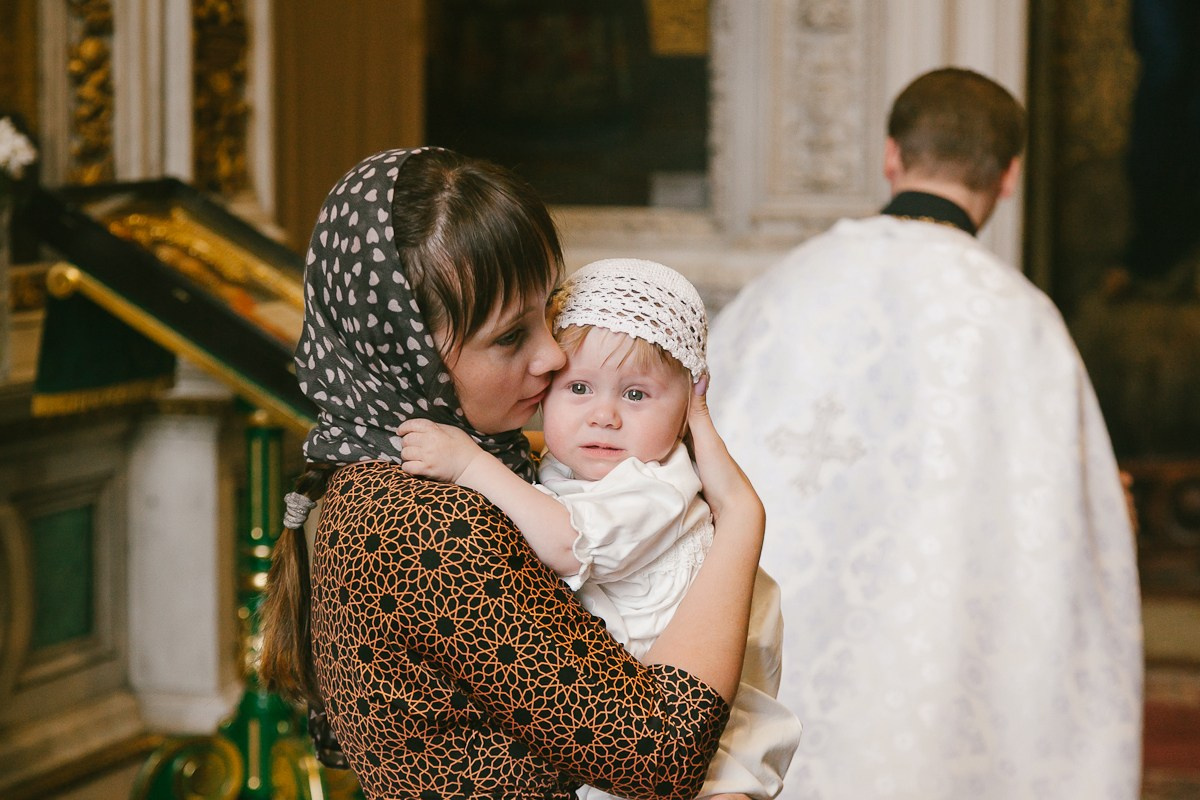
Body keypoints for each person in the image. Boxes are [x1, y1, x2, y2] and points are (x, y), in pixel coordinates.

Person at [257, 147, 767, 800]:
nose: (552, 356)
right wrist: (741, 518)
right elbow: (660, 752)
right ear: (405, 354)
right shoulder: (426, 525)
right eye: (508, 338)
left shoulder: (393, 471)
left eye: (546, 313)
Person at [705, 68, 1144, 799]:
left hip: (771, 657)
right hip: (934, 673)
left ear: (890, 156)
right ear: (1009, 177)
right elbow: (1064, 538)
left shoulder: (783, 291)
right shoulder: (1021, 320)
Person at [398, 257, 802, 800]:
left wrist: (470, 465)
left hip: (699, 742)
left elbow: (568, 545)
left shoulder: (657, 485)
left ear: (687, 409)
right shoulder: (561, 471)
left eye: (635, 395)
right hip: (620, 727)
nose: (604, 416)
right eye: (579, 388)